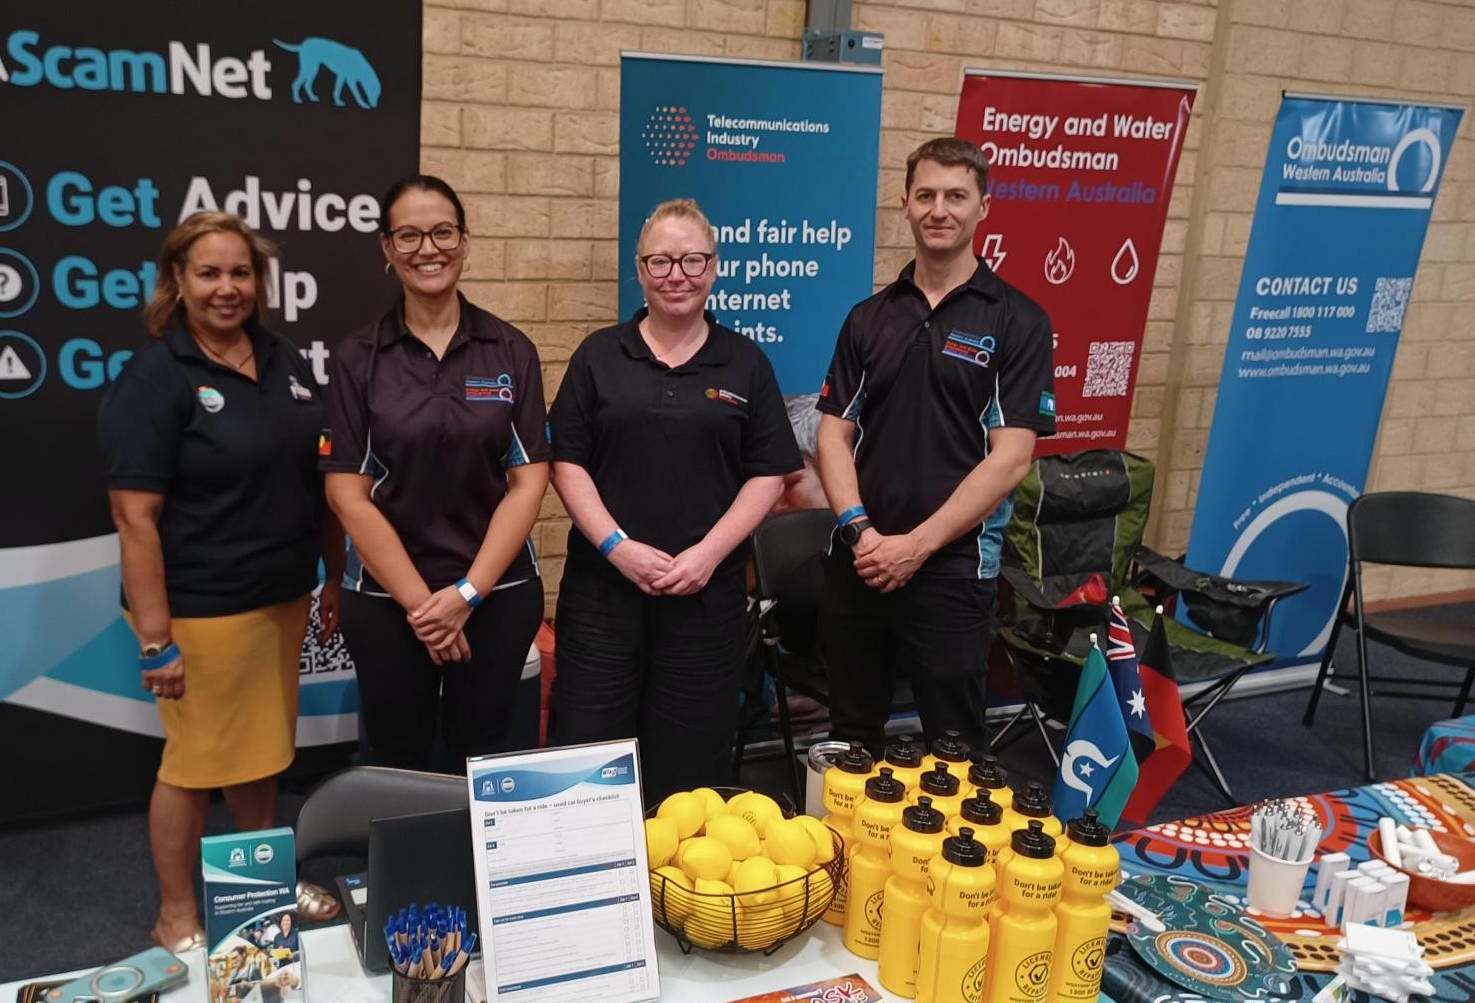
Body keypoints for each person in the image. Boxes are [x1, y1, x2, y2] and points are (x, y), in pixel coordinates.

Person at [98, 211, 344, 954]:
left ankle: (261, 886)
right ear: (178, 280)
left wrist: (332, 578)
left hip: (280, 600)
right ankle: (176, 913)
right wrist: (156, 641)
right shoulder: (155, 377)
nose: (226, 287)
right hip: (199, 612)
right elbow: (133, 517)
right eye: (208, 273)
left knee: (261, 753)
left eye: (240, 272)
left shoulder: (283, 359)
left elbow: (319, 478)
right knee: (195, 764)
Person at [549, 199, 800, 804]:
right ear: (640, 271)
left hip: (705, 601)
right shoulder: (598, 356)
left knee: (687, 773)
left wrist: (708, 556)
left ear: (714, 268)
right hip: (603, 596)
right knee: (589, 762)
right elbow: (565, 462)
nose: (677, 275)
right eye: (660, 261)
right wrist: (618, 548)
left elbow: (769, 475)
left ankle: (673, 870)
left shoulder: (745, 362)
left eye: (692, 260)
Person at [816, 137, 1056, 746]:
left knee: (953, 745)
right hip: (862, 559)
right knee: (851, 737)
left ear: (983, 207)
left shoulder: (1018, 320)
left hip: (954, 567)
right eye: (925, 195)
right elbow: (833, 433)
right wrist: (861, 532)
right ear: (905, 204)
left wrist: (916, 547)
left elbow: (1011, 459)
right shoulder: (868, 317)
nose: (939, 210)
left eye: (956, 196)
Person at [323, 176, 549, 769]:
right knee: (398, 759)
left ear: (465, 241)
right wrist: (428, 609)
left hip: (497, 595)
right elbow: (347, 494)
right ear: (387, 247)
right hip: (387, 601)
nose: (429, 248)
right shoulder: (357, 358)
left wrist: (467, 594)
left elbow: (528, 484)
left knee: (486, 755)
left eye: (443, 232)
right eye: (410, 235)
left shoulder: (510, 349)